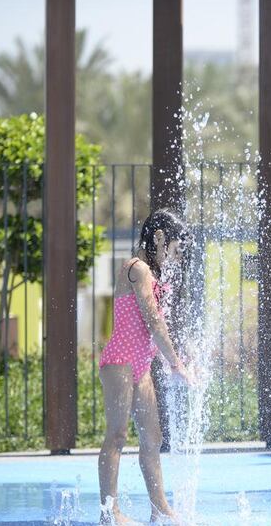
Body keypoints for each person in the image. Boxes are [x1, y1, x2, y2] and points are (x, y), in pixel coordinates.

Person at [98, 209, 194, 525]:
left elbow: (156, 325)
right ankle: (108, 512)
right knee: (117, 435)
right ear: (159, 237)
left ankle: (159, 507)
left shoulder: (150, 272)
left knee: (152, 438)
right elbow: (153, 320)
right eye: (172, 248)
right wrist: (176, 364)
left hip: (140, 365)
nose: (173, 257)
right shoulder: (136, 268)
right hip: (120, 364)